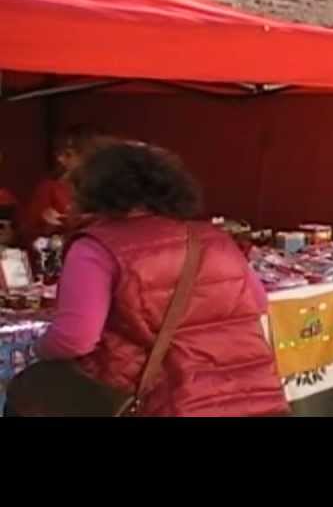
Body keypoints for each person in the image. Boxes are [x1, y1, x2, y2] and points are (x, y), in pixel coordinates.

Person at [31, 140, 288, 416]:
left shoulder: (96, 248)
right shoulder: (214, 239)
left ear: (94, 191)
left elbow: (76, 338)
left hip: (168, 399)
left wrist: (38, 349)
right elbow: (257, 303)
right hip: (249, 397)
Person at [21, 125, 100, 246]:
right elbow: (27, 231)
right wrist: (48, 227)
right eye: (58, 154)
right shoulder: (50, 188)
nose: (60, 160)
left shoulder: (104, 187)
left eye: (68, 155)